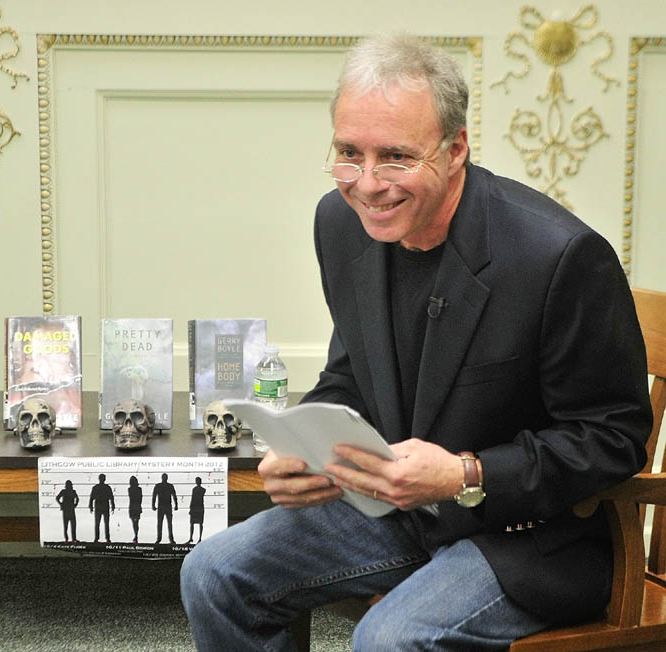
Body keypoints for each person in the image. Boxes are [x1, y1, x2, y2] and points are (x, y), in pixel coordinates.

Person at [180, 32, 653, 651]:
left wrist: (464, 474)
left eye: (397, 157)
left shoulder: (557, 256)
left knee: (387, 640)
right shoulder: (340, 223)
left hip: (533, 535)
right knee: (214, 573)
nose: (368, 184)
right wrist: (308, 448)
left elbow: (612, 440)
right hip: (396, 510)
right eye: (350, 152)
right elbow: (352, 374)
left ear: (455, 148)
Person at [152, 472, 178, 544]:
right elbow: (174, 495)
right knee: (168, 523)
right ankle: (170, 539)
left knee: (161, 523)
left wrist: (153, 505)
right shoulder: (170, 486)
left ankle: (160, 539)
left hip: (162, 506)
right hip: (167, 506)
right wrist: (176, 504)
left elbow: (154, 496)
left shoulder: (158, 486)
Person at [88, 473, 115, 543]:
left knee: (98, 523)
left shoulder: (96, 487)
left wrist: (90, 506)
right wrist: (113, 505)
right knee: (105, 523)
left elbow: (91, 498)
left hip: (99, 506)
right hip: (104, 506)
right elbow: (111, 497)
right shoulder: (107, 487)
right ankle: (106, 538)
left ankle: (97, 538)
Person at [188, 477, 206, 543]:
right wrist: (191, 508)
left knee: (200, 523)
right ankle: (191, 538)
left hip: (199, 507)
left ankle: (199, 538)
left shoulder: (202, 489)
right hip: (195, 508)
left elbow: (193, 499)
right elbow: (192, 499)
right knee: (192, 523)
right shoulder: (194, 489)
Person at [127, 475, 143, 544]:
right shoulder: (139, 489)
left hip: (132, 507)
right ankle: (136, 535)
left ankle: (136, 536)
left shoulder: (130, 489)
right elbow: (140, 498)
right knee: (136, 522)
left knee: (134, 522)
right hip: (137, 507)